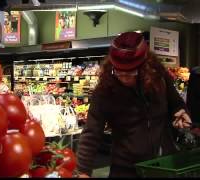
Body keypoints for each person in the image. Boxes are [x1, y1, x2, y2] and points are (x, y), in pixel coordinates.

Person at [76, 32, 192, 178]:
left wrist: (182, 112)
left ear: (145, 67)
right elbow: (91, 133)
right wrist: (83, 172)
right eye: (118, 72)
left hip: (163, 165)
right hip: (125, 169)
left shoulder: (159, 78)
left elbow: (176, 103)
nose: (124, 79)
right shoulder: (105, 90)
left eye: (130, 73)